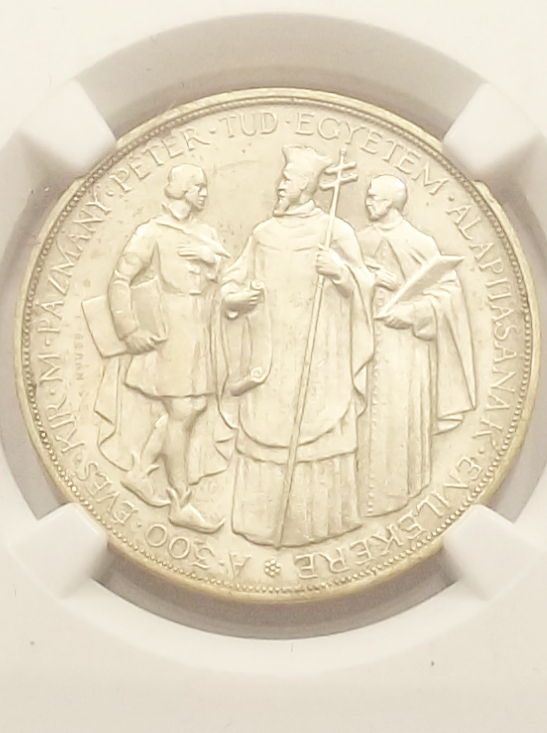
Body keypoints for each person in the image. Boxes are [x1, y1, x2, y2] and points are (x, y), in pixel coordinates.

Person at [219, 146, 374, 547]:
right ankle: (261, 523)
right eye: (281, 178)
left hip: (320, 356)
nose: (279, 185)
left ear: (305, 185)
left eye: (287, 180)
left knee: (319, 430)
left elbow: (365, 284)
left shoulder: (335, 232)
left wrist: (340, 272)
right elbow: (233, 279)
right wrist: (235, 299)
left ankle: (322, 524)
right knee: (267, 433)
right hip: (271, 358)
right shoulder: (262, 235)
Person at [87, 163, 230, 531]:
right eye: (198, 186)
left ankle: (140, 471)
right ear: (181, 190)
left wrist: (209, 260)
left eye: (204, 186)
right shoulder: (151, 232)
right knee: (182, 409)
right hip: (170, 327)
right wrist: (129, 329)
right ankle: (181, 502)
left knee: (194, 407)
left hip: (201, 325)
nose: (204, 193)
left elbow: (223, 273)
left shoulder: (206, 232)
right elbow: (120, 279)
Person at [356, 175, 476, 517]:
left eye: (375, 197)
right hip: (363, 349)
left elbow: (447, 295)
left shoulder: (419, 243)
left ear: (393, 203)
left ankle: (398, 496)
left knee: (397, 422)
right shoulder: (359, 241)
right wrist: (367, 280)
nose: (368, 202)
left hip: (406, 352)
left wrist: (412, 313)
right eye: (368, 196)